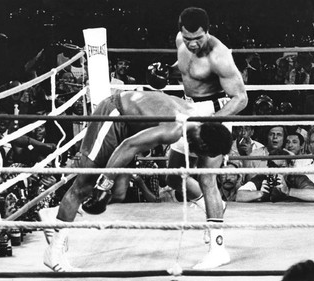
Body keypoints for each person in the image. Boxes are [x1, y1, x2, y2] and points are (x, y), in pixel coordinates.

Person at [43, 90, 233, 272]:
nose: (199, 156)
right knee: (83, 187)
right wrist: (104, 183)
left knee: (119, 193)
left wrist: (108, 185)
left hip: (130, 128)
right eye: (203, 152)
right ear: (203, 143)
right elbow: (129, 146)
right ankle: (54, 252)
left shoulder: (196, 121)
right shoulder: (175, 129)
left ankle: (55, 214)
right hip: (114, 115)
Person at [157, 7, 247, 269]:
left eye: (199, 38)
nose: (193, 44)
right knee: (173, 176)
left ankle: (219, 249)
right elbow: (184, 68)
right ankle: (214, 207)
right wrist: (165, 73)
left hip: (214, 111)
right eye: (188, 39)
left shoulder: (219, 55)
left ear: (207, 31)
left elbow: (241, 98)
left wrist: (212, 122)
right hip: (188, 110)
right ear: (181, 32)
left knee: (207, 178)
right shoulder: (180, 40)